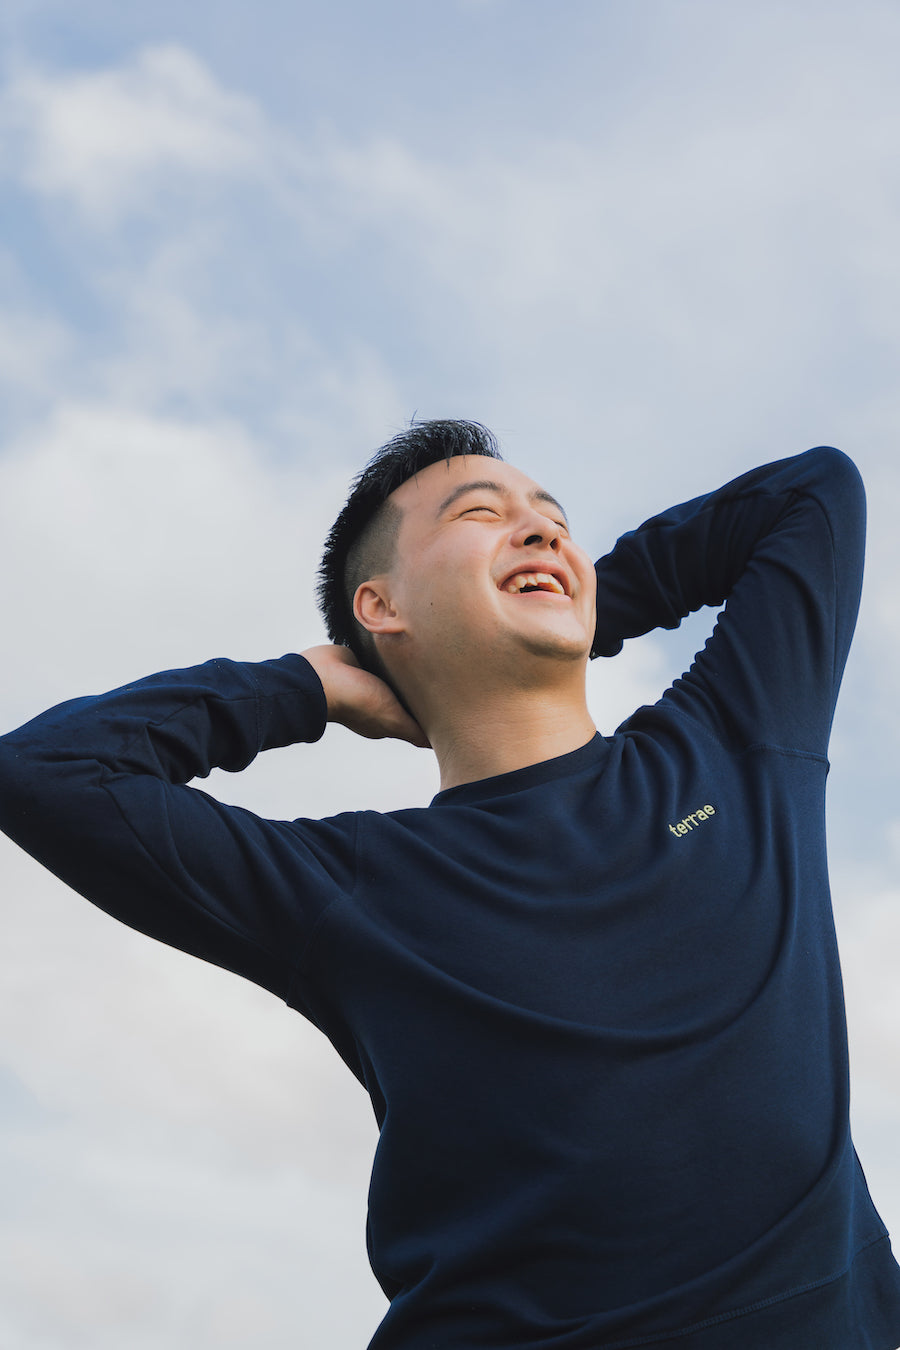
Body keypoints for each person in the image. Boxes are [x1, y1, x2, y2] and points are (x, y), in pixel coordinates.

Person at [1, 418, 899, 1350]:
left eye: (553, 519)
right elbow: (47, 771)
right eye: (482, 513)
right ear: (381, 605)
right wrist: (318, 685)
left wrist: (577, 601)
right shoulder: (350, 887)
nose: (544, 530)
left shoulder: (733, 748)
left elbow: (815, 492)